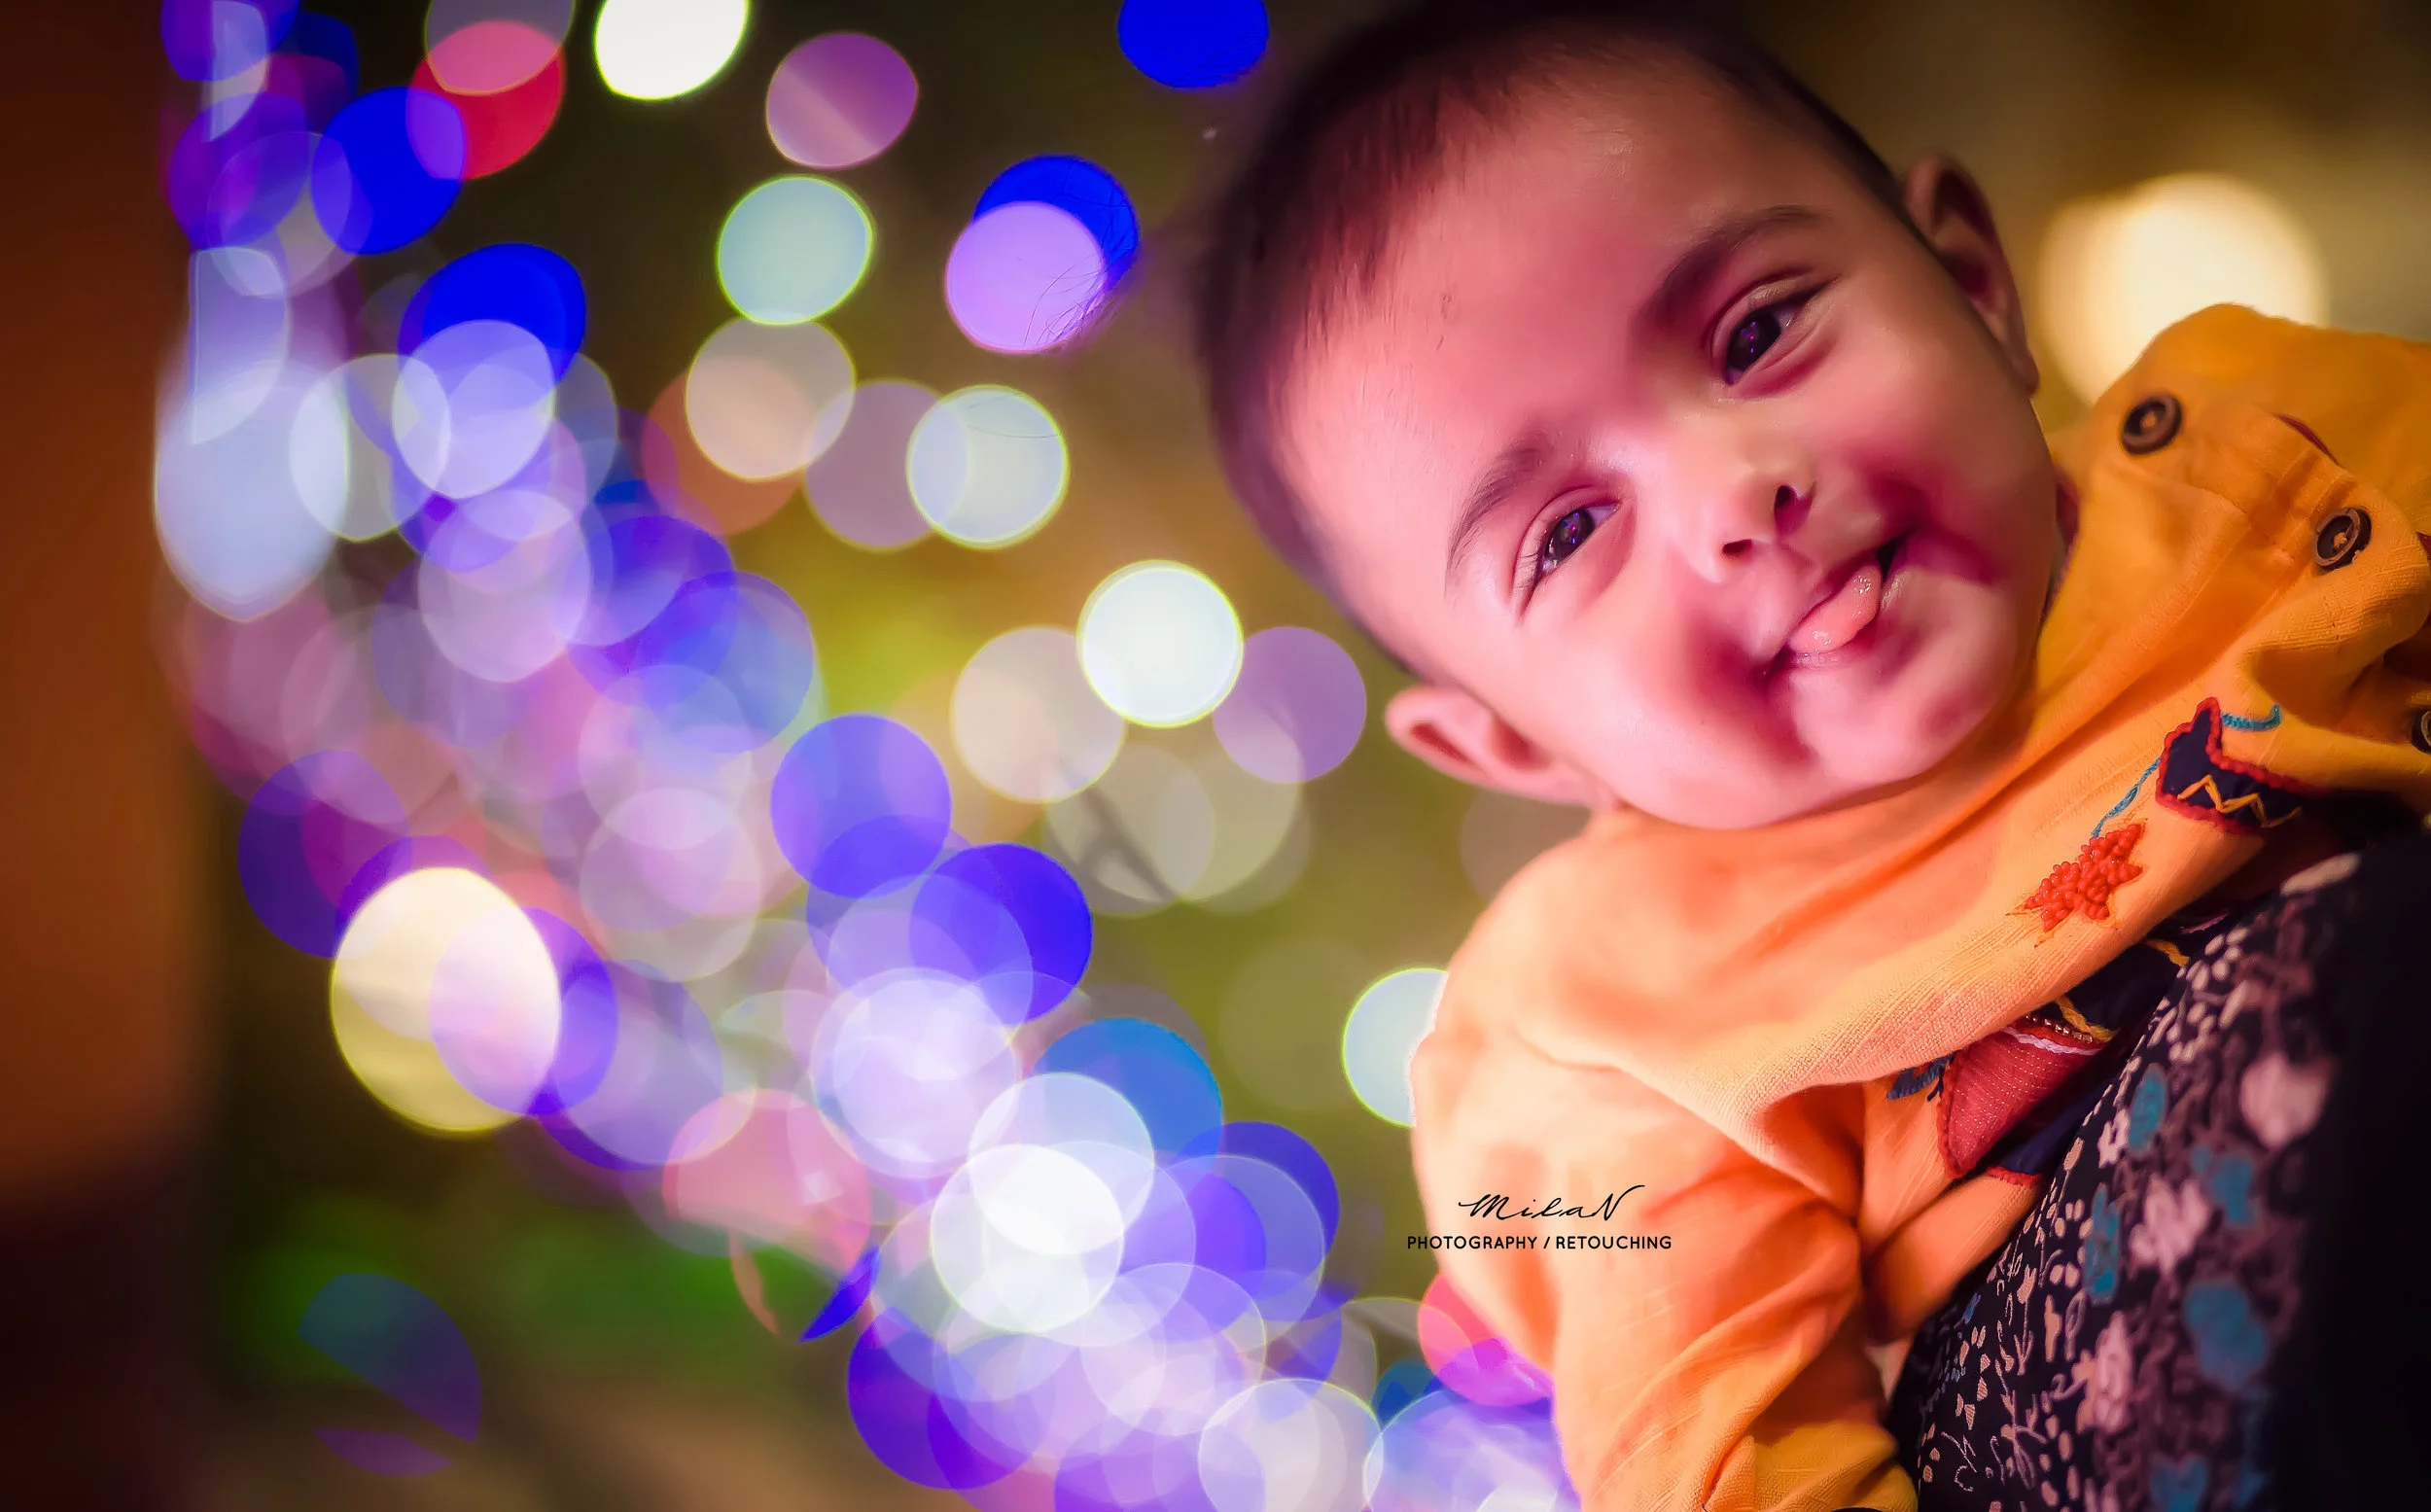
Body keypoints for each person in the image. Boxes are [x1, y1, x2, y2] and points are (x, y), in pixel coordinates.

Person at [1185, 1, 2431, 1506]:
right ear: (1515, 740)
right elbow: (1735, 1454)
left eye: (1758, 331)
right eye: (1569, 532)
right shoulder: (1609, 1027)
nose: (1733, 490)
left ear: (1972, 284)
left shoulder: (2275, 455)